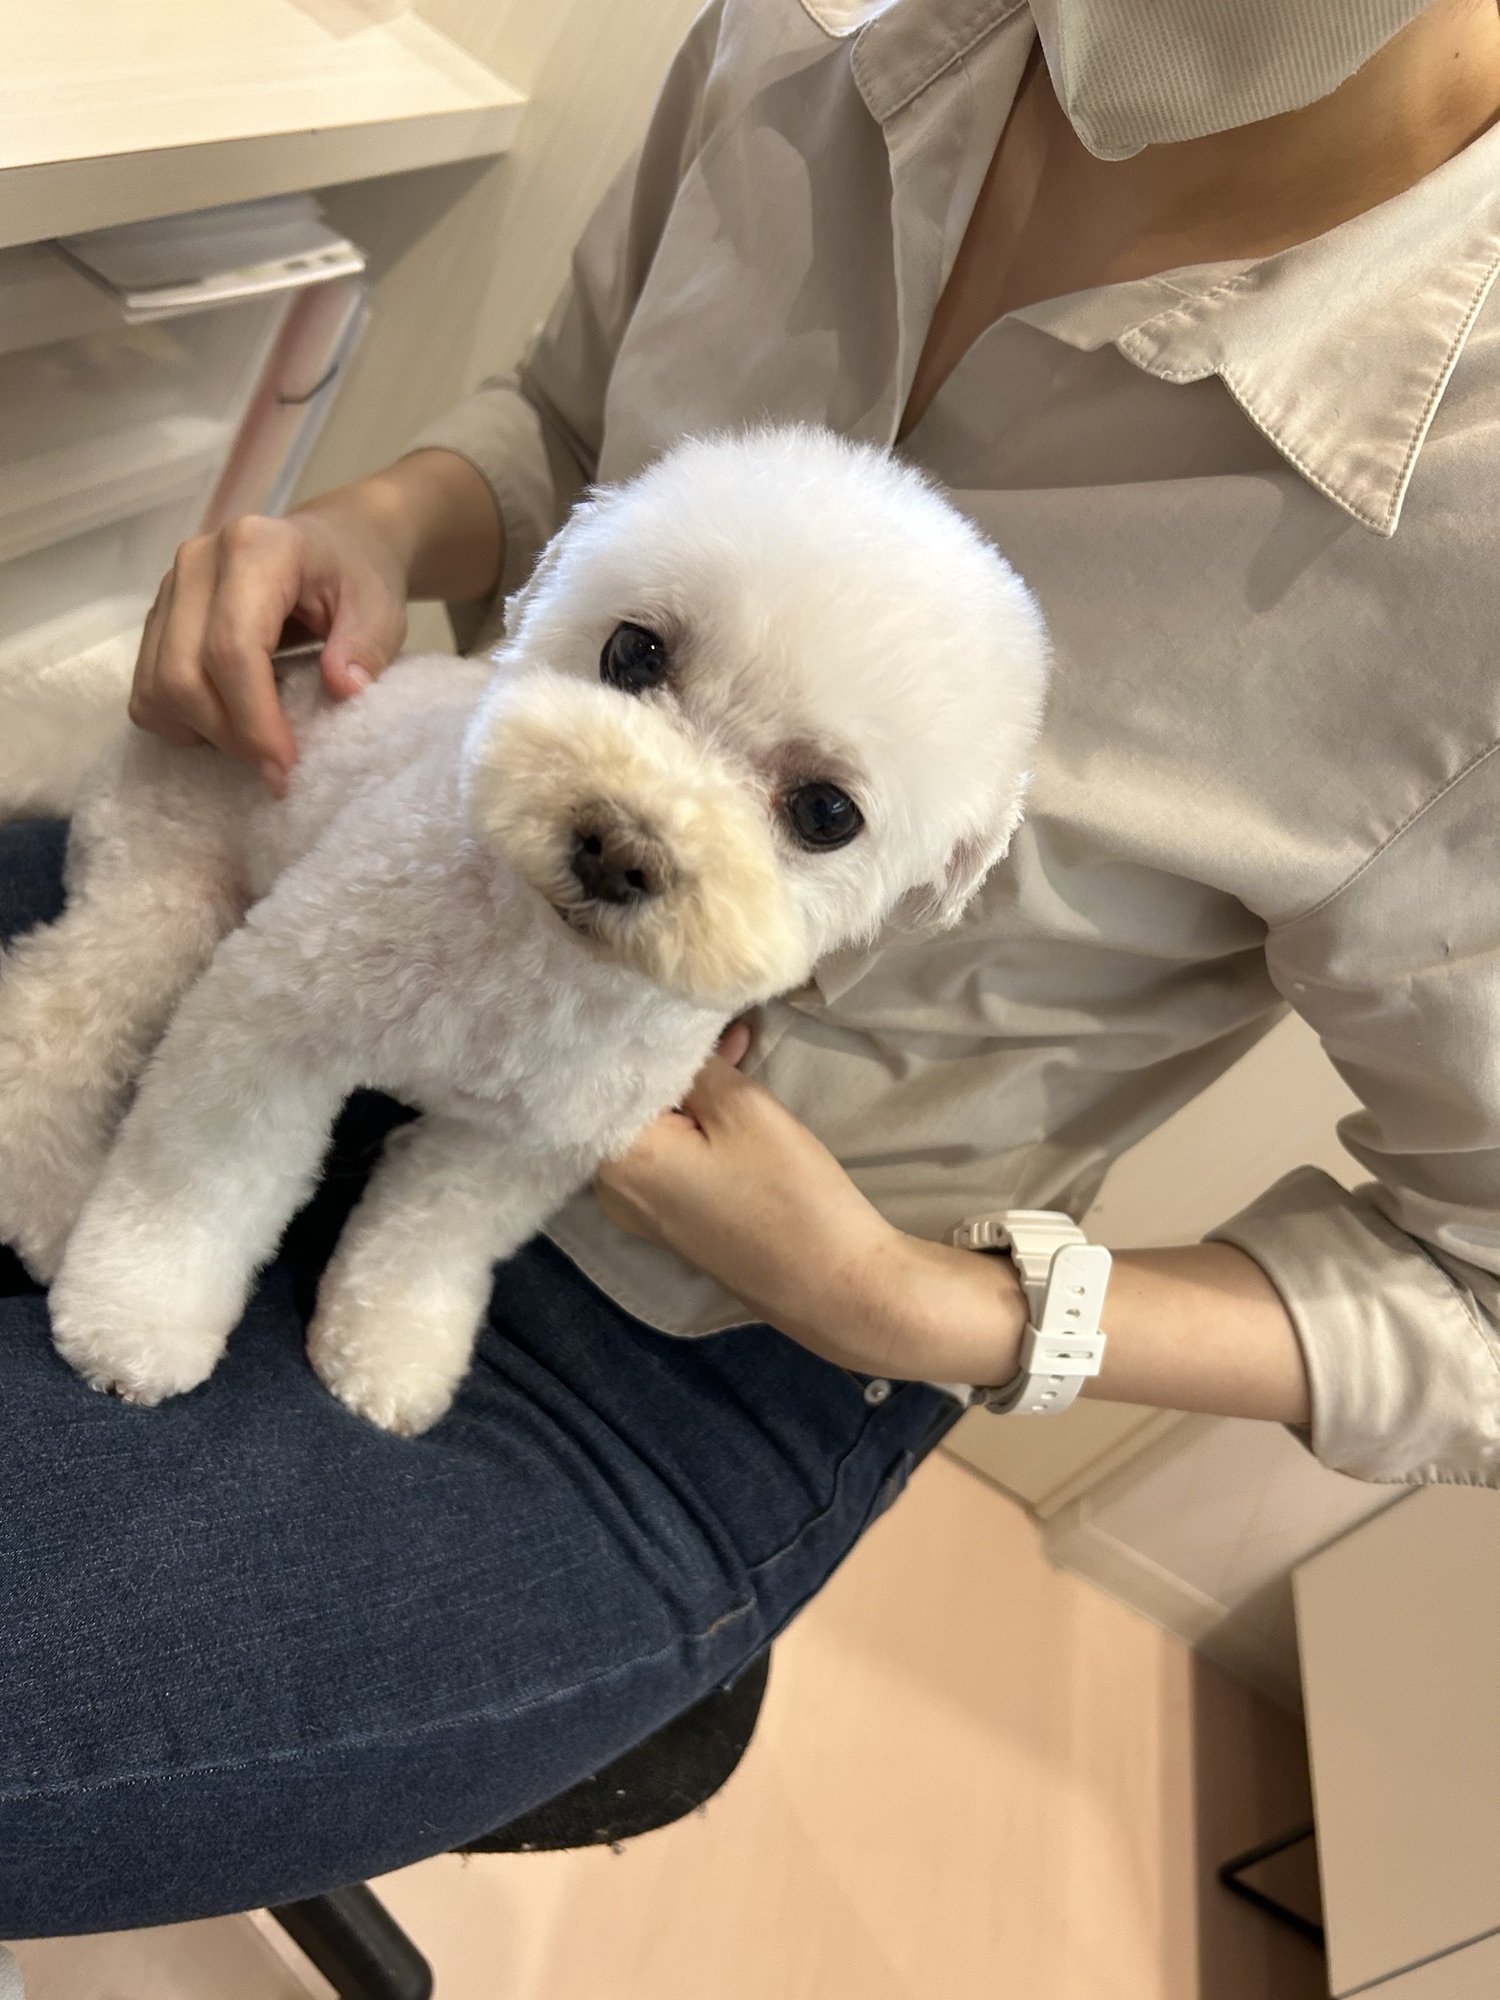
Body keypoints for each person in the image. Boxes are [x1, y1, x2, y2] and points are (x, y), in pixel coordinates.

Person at [3, 0, 1499, 1936]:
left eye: (821, 807)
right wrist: (376, 520)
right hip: (407, 885)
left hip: (702, 1333)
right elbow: (565, 432)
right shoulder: (806, 31)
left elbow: (1475, 1287)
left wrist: (904, 1302)